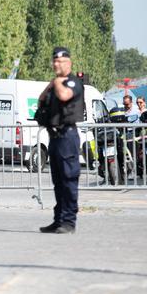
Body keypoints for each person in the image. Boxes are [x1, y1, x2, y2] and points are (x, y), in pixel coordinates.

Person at [34, 47, 84, 234]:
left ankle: (69, 221)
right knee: (58, 181)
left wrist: (56, 82)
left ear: (69, 63)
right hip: (54, 137)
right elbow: (40, 100)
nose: (56, 64)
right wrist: (51, 84)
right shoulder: (55, 84)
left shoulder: (73, 82)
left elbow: (64, 96)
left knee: (69, 180)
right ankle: (58, 219)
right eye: (54, 61)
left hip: (67, 136)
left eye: (61, 61)